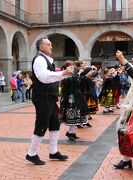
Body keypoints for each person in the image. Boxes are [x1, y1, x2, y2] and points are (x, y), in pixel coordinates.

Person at [25, 37, 74, 165]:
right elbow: (43, 77)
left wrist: (62, 75)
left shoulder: (46, 60)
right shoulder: (39, 59)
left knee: (54, 123)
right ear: (41, 47)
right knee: (42, 123)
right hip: (42, 96)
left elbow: (49, 76)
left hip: (49, 96)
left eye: (51, 44)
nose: (51, 46)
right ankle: (31, 153)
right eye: (48, 44)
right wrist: (63, 73)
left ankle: (53, 151)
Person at [60, 60, 89, 141]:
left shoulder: (73, 75)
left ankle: (71, 132)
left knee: (77, 116)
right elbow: (71, 80)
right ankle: (70, 132)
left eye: (73, 66)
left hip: (76, 97)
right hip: (71, 99)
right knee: (73, 117)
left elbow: (77, 80)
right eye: (71, 66)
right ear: (67, 68)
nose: (73, 68)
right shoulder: (65, 75)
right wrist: (79, 73)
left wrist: (83, 74)